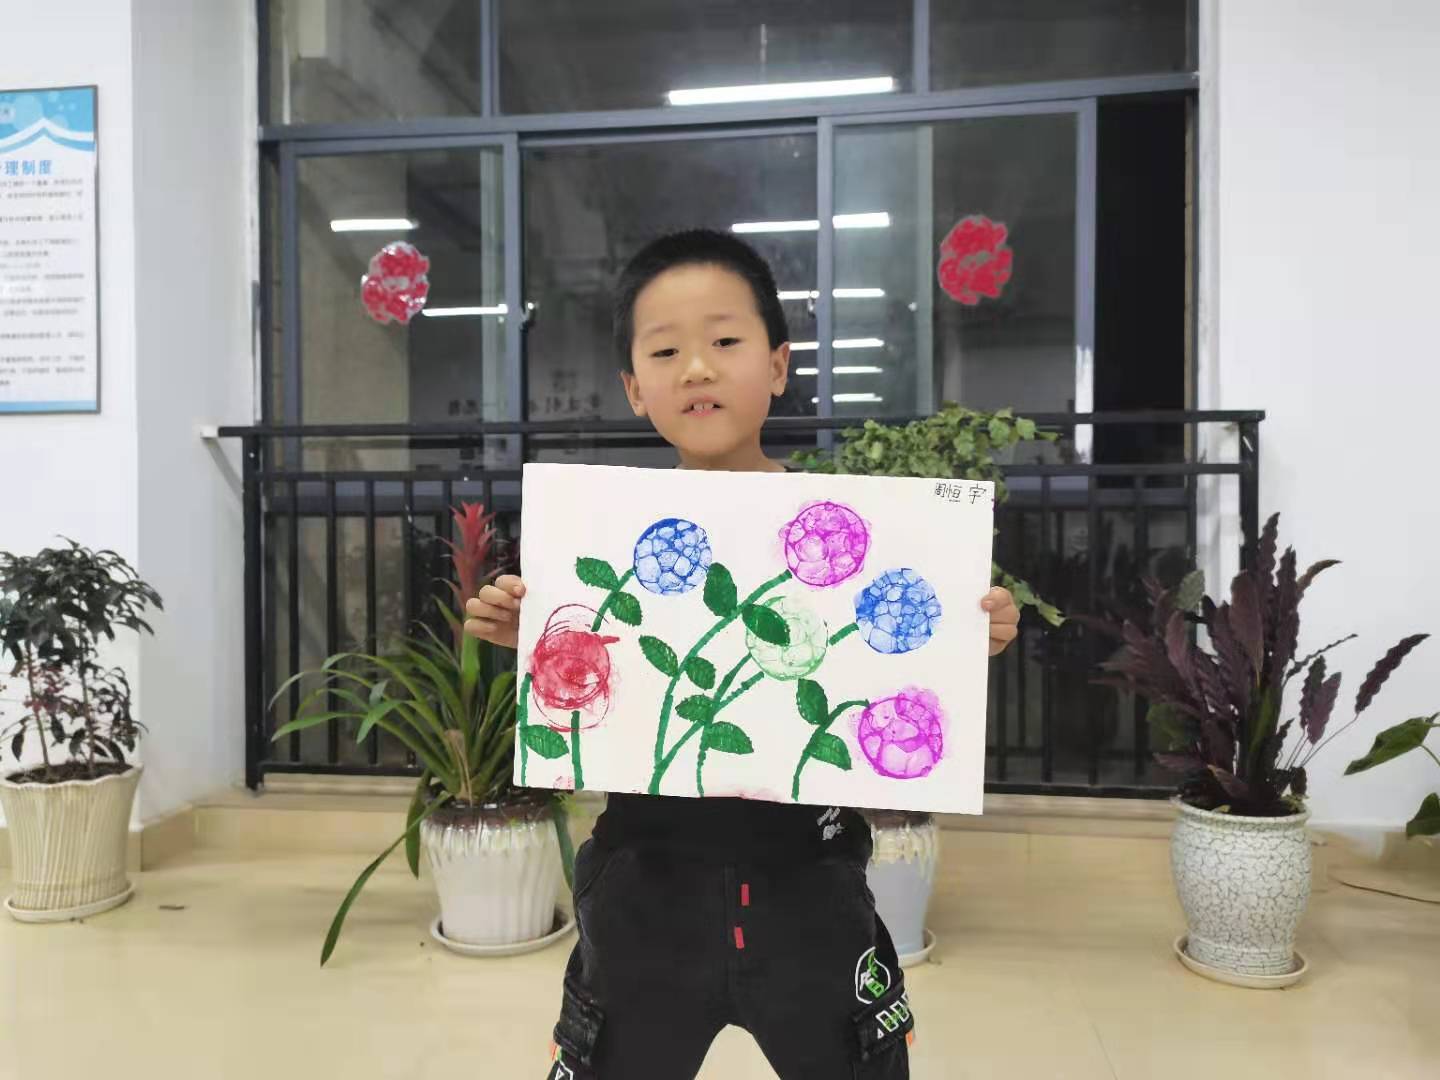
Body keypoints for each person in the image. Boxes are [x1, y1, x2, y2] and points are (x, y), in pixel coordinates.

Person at [465, 229, 1021, 1079]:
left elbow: (886, 678)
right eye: (665, 351)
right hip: (643, 892)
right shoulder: (601, 543)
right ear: (634, 388)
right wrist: (529, 632)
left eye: (725, 341)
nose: (697, 368)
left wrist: (963, 635)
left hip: (812, 890)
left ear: (778, 364)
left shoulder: (851, 540)